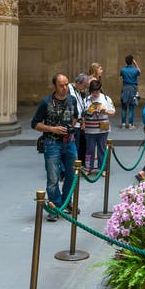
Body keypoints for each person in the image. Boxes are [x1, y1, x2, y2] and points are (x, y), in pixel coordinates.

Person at [31, 73, 81, 221]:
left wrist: (69, 128)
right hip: (52, 143)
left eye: (66, 84)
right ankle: (55, 206)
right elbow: (35, 124)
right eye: (61, 85)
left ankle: (66, 201)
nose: (65, 88)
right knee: (53, 178)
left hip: (70, 142)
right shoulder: (46, 102)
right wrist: (52, 129)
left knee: (72, 175)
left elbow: (75, 116)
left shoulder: (72, 100)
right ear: (55, 86)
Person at [83, 79, 115, 177]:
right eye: (93, 92)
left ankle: (103, 168)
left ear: (100, 89)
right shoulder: (86, 99)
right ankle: (89, 167)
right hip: (90, 129)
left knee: (102, 149)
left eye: (97, 91)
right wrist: (89, 112)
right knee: (90, 149)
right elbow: (82, 113)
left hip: (103, 128)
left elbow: (113, 112)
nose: (95, 94)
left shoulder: (106, 98)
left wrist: (105, 111)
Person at [119, 54, 140, 129]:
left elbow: (121, 75)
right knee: (131, 107)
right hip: (133, 89)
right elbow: (139, 72)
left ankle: (123, 124)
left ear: (126, 61)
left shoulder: (123, 69)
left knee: (124, 107)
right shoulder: (135, 70)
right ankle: (131, 124)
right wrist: (135, 63)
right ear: (132, 61)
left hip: (125, 88)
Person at [71, 72, 89, 162]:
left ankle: (76, 167)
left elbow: (82, 107)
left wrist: (83, 121)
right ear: (78, 83)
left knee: (78, 147)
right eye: (84, 85)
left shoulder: (79, 91)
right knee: (72, 148)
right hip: (72, 124)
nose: (85, 88)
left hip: (79, 124)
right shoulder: (69, 90)